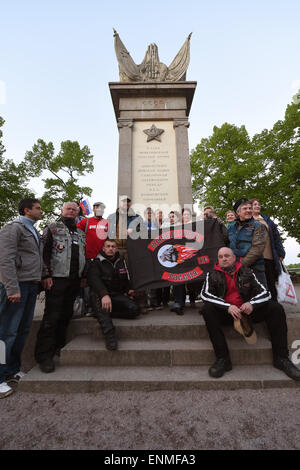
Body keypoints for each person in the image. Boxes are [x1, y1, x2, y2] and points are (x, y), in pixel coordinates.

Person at [201, 247, 300, 381]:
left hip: (246, 312)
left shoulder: (247, 272)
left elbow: (265, 293)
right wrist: (227, 306)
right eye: (221, 257)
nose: (224, 259)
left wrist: (252, 304)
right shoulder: (211, 274)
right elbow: (205, 295)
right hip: (227, 313)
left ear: (234, 258)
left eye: (227, 256)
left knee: (275, 308)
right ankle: (223, 359)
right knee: (208, 310)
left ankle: (281, 358)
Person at [34, 202, 86, 373]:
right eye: (68, 209)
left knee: (66, 315)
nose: (71, 211)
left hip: (74, 280)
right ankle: (43, 356)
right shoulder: (52, 228)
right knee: (52, 317)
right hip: (56, 279)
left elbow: (82, 256)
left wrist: (83, 276)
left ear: (78, 213)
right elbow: (44, 253)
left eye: (74, 210)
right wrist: (45, 275)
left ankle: (58, 346)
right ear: (62, 211)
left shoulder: (80, 233)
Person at [0, 198, 43, 398]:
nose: (41, 211)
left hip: (30, 284)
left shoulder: (34, 230)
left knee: (22, 330)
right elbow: (5, 259)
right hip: (16, 287)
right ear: (27, 210)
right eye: (38, 208)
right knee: (7, 332)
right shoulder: (13, 228)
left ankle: (12, 371)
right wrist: (11, 287)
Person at [87, 239, 139, 350]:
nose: (111, 249)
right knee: (102, 307)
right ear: (103, 248)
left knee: (134, 309)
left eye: (113, 247)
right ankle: (110, 337)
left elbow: (125, 280)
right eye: (108, 246)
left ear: (116, 249)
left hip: (116, 296)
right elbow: (94, 280)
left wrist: (129, 289)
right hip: (101, 296)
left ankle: (103, 313)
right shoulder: (95, 262)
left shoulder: (121, 261)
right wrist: (104, 294)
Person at [250, 198, 285, 301]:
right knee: (258, 284)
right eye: (255, 204)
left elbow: (276, 236)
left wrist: (280, 253)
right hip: (255, 258)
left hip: (269, 256)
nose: (257, 206)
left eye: (258, 204)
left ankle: (274, 307)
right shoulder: (248, 221)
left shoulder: (267, 220)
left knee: (271, 282)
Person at [228, 198, 267, 287]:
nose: (248, 210)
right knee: (242, 296)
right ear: (238, 212)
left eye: (250, 208)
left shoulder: (259, 226)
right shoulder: (231, 227)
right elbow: (225, 242)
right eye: (245, 208)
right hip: (237, 269)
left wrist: (241, 265)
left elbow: (257, 249)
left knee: (260, 296)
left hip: (255, 268)